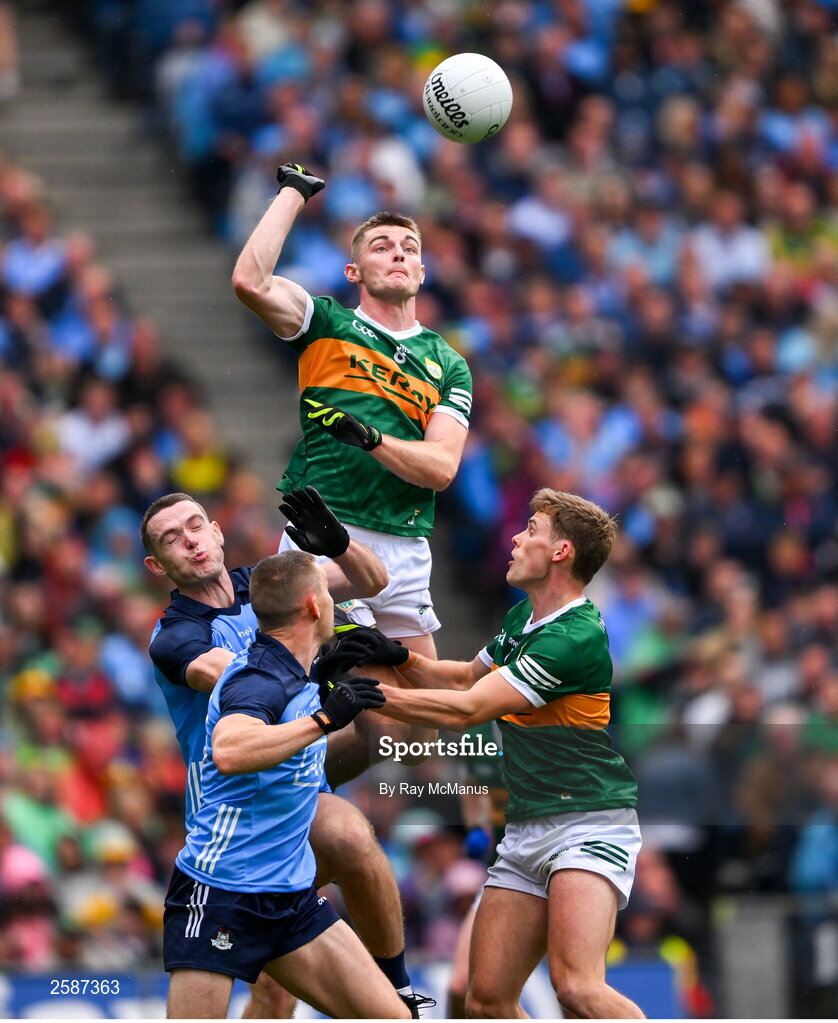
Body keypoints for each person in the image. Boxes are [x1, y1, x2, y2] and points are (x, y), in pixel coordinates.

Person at [353, 488, 645, 1019]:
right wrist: (392, 653)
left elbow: (468, 708)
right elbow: (465, 675)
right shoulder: (523, 621)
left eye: (531, 529)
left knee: (577, 987)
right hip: (526, 826)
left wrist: (369, 694)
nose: (516, 536)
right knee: (486, 1001)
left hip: (587, 822)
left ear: (561, 552)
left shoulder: (573, 637)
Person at [142, 490, 434, 1017]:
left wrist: (340, 545)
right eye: (171, 538)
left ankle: (397, 984)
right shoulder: (177, 636)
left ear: (216, 530)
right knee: (277, 994)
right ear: (156, 565)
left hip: (296, 771)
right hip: (240, 802)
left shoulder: (264, 586)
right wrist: (319, 669)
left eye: (194, 526)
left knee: (394, 727)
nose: (189, 541)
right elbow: (241, 683)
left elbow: (374, 582)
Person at [232, 162, 473, 661]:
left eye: (409, 248)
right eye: (381, 246)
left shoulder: (449, 364)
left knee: (422, 721)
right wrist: (294, 193)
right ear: (354, 272)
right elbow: (250, 283)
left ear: (423, 273)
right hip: (329, 531)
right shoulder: (327, 323)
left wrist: (372, 440)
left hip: (406, 542)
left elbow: (442, 469)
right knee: (363, 708)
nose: (398, 253)